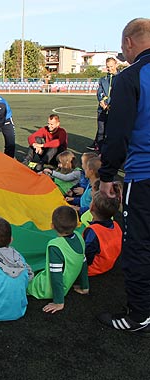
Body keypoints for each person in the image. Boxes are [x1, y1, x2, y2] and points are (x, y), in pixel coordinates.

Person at [97, 18, 150, 333]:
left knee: (138, 244)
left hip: (143, 176)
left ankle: (140, 314)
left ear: (130, 42)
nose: (121, 51)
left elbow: (117, 135)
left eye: (121, 45)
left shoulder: (131, 77)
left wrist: (106, 174)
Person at [27, 206, 89, 314]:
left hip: (45, 289)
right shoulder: (79, 237)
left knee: (22, 280)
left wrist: (59, 302)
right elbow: (83, 263)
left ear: (52, 226)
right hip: (67, 285)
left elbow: (56, 276)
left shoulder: (55, 246)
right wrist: (85, 286)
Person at [83, 185, 122, 276]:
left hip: (93, 269)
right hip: (108, 264)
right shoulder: (116, 226)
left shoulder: (93, 231)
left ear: (91, 207)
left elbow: (86, 256)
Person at [89, 57, 120, 151]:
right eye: (107, 67)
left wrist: (112, 105)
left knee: (113, 131)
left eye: (111, 66)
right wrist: (101, 101)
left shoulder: (122, 78)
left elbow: (122, 94)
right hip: (102, 109)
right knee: (101, 131)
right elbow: (99, 92)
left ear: (116, 65)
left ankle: (113, 151)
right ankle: (100, 151)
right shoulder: (103, 79)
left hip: (115, 110)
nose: (109, 68)